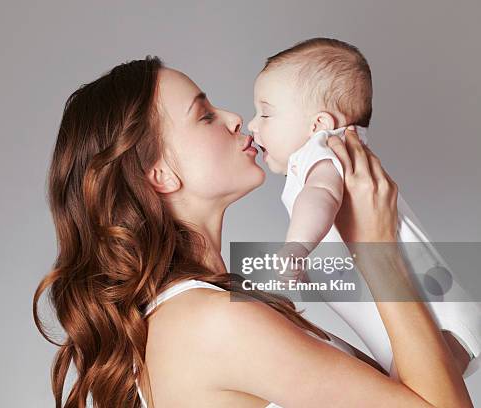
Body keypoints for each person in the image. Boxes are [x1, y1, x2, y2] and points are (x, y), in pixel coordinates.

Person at [33, 56, 472, 407]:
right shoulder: (213, 323)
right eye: (204, 115)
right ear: (161, 174)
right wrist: (378, 251)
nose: (235, 118)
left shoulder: (202, 313)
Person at [248, 37, 480, 376]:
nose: (254, 125)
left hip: (434, 316)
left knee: (421, 388)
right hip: (422, 319)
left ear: (319, 124)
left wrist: (297, 247)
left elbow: (321, 196)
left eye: (266, 113)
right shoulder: (340, 152)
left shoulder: (323, 149)